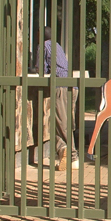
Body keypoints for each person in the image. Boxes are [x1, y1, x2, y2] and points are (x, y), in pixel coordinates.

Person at [38, 26, 78, 171]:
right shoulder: (57, 46)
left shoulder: (44, 46)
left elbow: (41, 70)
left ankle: (72, 155)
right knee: (66, 121)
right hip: (73, 86)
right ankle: (64, 152)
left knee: (61, 122)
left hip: (61, 86)